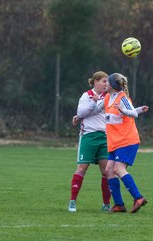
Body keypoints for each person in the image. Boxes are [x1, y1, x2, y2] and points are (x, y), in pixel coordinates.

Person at [104, 73, 149, 213]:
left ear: (113, 85)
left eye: (107, 82)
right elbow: (97, 109)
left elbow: (132, 114)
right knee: (108, 171)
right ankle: (119, 204)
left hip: (127, 140)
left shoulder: (122, 97)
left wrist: (126, 110)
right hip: (115, 141)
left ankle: (138, 198)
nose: (105, 83)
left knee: (118, 169)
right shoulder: (107, 98)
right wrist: (79, 116)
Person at [67, 71, 111, 212]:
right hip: (88, 136)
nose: (106, 84)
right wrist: (93, 102)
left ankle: (106, 204)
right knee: (81, 169)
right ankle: (72, 202)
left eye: (107, 82)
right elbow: (81, 113)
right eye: (104, 81)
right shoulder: (86, 96)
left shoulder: (109, 96)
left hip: (104, 137)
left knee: (106, 172)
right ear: (96, 81)